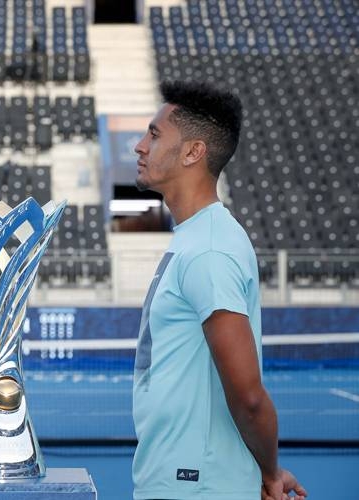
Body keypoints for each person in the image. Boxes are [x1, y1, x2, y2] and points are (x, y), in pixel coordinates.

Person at [131, 80, 307, 500]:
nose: (139, 146)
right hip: (182, 481)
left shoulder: (209, 249)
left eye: (154, 135)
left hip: (197, 485)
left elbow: (248, 395)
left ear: (193, 152)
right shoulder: (197, 239)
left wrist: (269, 472)